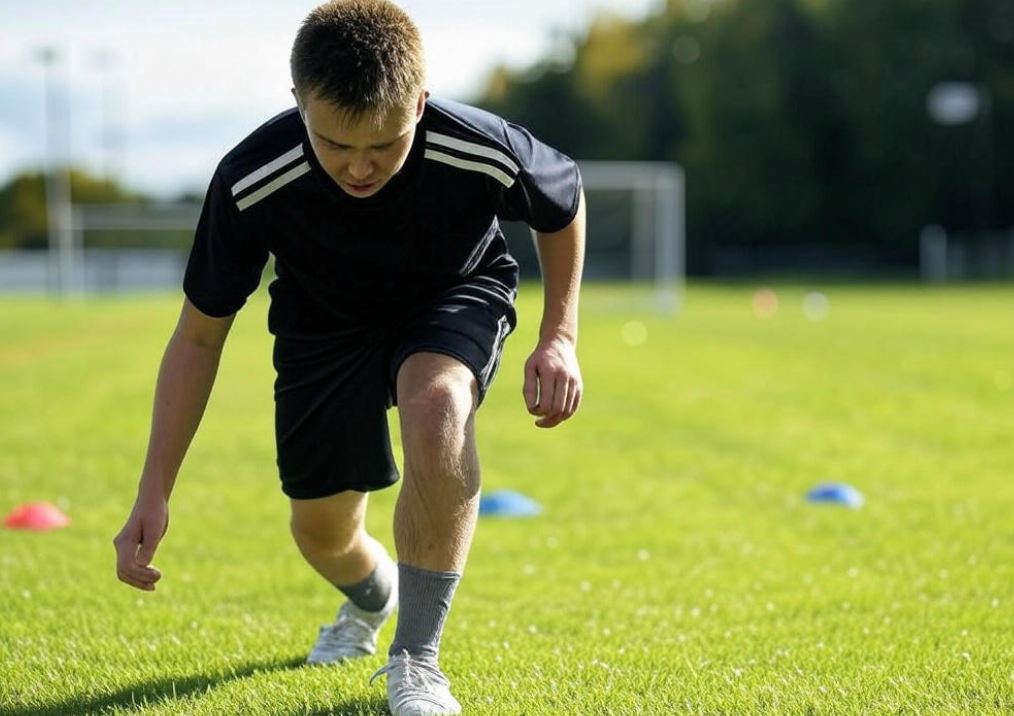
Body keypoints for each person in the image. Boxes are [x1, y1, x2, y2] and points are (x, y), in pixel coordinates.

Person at [112, 1, 585, 714]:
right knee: (322, 533)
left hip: (452, 294)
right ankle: (371, 597)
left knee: (437, 402)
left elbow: (563, 201)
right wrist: (154, 490)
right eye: (335, 144)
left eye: (386, 145)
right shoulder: (251, 178)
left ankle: (416, 661)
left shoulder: (477, 144)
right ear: (299, 103)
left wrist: (559, 337)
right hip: (323, 329)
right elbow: (199, 337)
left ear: (419, 104)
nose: (361, 166)